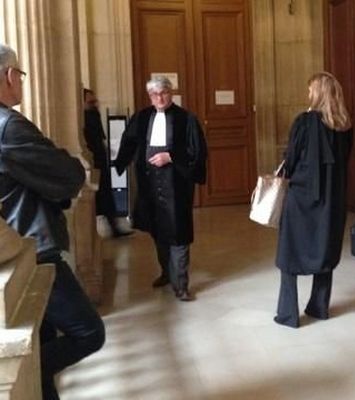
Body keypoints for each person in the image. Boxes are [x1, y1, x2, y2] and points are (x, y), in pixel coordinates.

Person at [0, 43, 105, 399]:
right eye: (22, 76)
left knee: (43, 335)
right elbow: (68, 173)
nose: (23, 84)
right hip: (32, 248)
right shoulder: (9, 127)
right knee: (88, 332)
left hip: (22, 243)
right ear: (10, 76)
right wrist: (69, 171)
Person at [114, 76, 207, 302]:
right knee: (157, 230)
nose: (159, 98)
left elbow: (198, 152)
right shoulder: (142, 117)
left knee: (178, 233)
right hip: (149, 185)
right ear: (150, 96)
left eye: (163, 92)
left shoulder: (186, 119)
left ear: (171, 92)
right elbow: (129, 142)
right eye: (154, 94)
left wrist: (171, 156)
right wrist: (118, 164)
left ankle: (181, 285)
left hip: (176, 185)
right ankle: (167, 273)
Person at [274, 71, 352, 328]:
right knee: (325, 249)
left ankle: (288, 314)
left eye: (310, 90)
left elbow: (292, 158)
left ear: (317, 93)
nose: (308, 95)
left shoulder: (304, 122)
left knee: (290, 252)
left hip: (302, 197)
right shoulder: (344, 126)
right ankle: (319, 307)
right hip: (333, 199)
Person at [83, 88, 132, 237]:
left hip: (100, 158)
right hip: (93, 159)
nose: (94, 104)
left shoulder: (94, 114)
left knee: (106, 193)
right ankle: (108, 226)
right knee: (100, 195)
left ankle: (114, 225)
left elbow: (101, 137)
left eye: (94, 101)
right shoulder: (84, 117)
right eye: (90, 101)